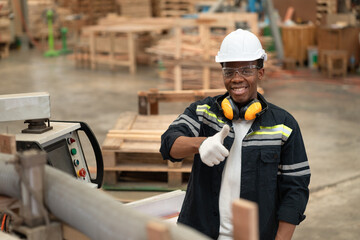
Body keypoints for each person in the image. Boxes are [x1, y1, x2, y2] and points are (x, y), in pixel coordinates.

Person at [160, 29, 310, 240]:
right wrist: (201, 144)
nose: (237, 79)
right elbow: (168, 144)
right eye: (229, 71)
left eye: (246, 70)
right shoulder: (204, 112)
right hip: (199, 233)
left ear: (260, 73)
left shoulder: (284, 125)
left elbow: (295, 190)